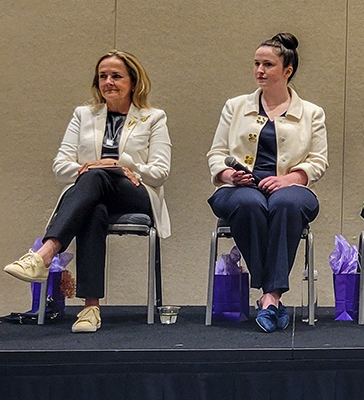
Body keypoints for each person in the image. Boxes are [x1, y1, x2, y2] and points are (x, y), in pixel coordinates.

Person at [4, 51, 172, 333]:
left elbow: (160, 172)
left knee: (96, 177)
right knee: (93, 207)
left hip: (135, 193)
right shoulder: (83, 115)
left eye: (116, 76)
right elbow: (60, 167)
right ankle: (90, 308)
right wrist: (91, 167)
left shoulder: (153, 118)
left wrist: (121, 164)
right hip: (91, 193)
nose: (108, 81)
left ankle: (45, 254)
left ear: (133, 81)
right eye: (102, 76)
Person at [207, 33, 328, 333]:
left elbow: (318, 161)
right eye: (257, 64)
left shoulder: (312, 113)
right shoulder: (234, 107)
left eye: (268, 64)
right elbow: (216, 154)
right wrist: (228, 175)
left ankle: (269, 296)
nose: (259, 70)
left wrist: (290, 179)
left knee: (286, 204)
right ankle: (271, 296)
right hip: (239, 189)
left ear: (287, 71)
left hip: (291, 189)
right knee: (249, 204)